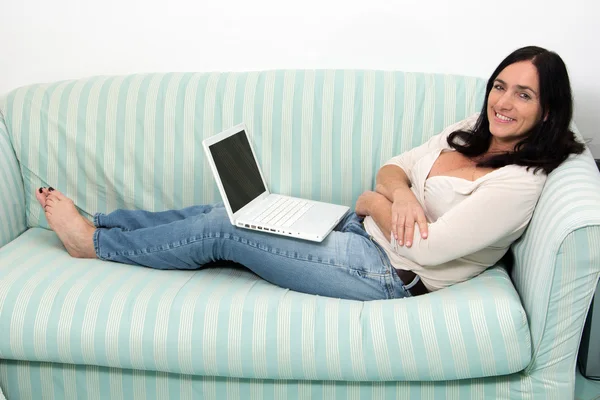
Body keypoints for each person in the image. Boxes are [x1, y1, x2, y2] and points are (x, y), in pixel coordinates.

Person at [35, 46, 584, 301]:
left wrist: (374, 202)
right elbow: (395, 165)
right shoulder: (473, 127)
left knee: (230, 231)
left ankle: (95, 247)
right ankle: (106, 223)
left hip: (385, 274)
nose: (503, 101)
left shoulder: (520, 181)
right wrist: (392, 193)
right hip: (356, 230)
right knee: (228, 210)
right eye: (500, 85)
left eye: (524, 93)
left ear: (548, 108)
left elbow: (430, 249)